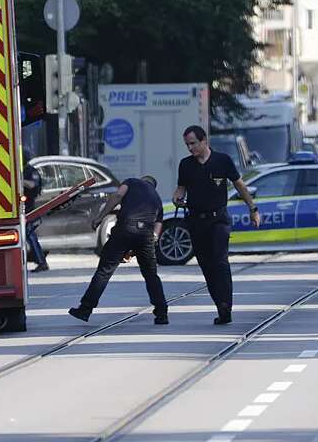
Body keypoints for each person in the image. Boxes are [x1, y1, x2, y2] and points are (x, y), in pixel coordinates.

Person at [174, 125, 260, 325]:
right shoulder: (186, 165)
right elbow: (180, 189)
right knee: (206, 265)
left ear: (204, 141)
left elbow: (239, 184)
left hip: (218, 220)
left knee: (220, 262)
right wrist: (177, 197)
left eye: (193, 143)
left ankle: (226, 307)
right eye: (187, 145)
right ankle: (220, 305)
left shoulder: (223, 160)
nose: (190, 148)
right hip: (196, 221)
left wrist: (253, 209)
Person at [69, 175, 169, 323]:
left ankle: (85, 309)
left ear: (142, 179)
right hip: (146, 234)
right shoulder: (157, 199)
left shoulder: (132, 182)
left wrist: (100, 217)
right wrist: (139, 248)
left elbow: (117, 195)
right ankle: (162, 314)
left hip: (125, 229)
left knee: (104, 271)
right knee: (151, 275)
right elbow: (156, 230)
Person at [22, 163, 48, 272]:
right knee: (29, 236)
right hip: (24, 207)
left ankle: (41, 262)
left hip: (29, 207)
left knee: (30, 235)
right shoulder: (23, 169)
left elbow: (32, 185)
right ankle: (39, 259)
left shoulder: (30, 171)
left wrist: (19, 181)